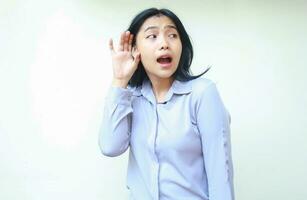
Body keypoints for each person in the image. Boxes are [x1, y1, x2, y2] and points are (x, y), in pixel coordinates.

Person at [98, 7, 235, 200]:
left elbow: (221, 174)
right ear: (135, 49)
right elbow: (110, 147)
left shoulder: (202, 94)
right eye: (152, 36)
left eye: (172, 35)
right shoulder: (130, 97)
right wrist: (120, 80)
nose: (164, 43)